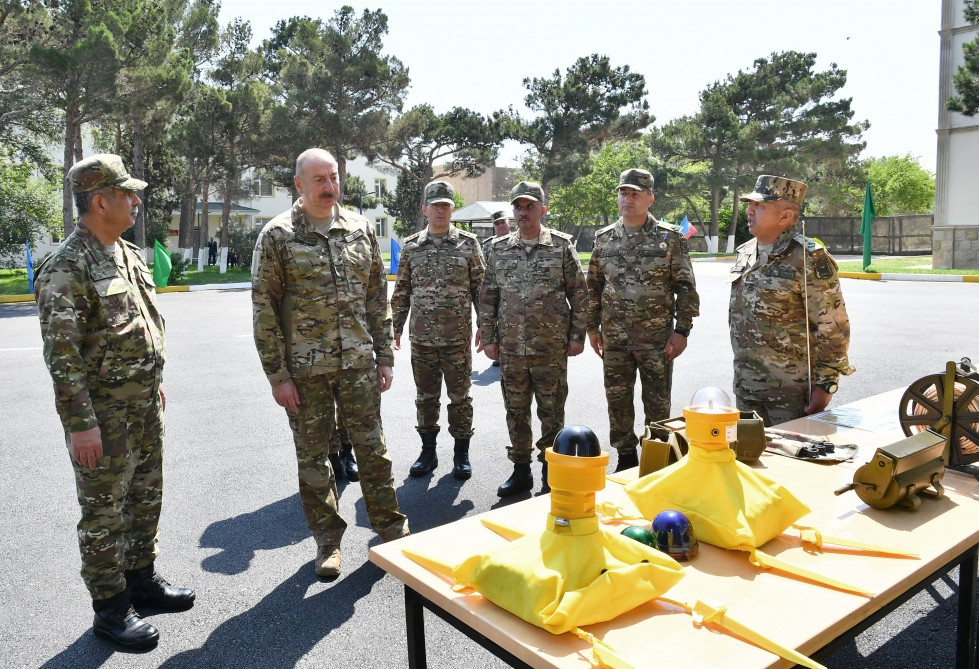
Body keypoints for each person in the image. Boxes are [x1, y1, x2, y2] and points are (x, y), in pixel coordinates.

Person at [33, 154, 195, 651]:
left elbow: (137, 326)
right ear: (100, 201)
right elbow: (63, 358)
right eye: (127, 194)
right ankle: (109, 608)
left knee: (145, 496)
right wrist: (81, 425)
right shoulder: (67, 267)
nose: (136, 200)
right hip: (101, 415)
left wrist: (152, 380)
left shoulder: (125, 252)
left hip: (143, 403)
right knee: (104, 510)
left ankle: (141, 581)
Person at [251, 148, 409, 579]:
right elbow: (264, 309)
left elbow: (377, 297)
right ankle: (327, 541)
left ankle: (391, 527)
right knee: (314, 457)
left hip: (357, 362)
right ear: (299, 185)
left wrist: (385, 356)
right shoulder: (277, 236)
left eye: (334, 177)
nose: (328, 186)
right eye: (318, 179)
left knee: (373, 449)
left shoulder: (359, 228)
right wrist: (277, 375)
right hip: (305, 370)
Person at [478, 181, 588, 496]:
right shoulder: (498, 249)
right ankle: (521, 471)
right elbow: (488, 297)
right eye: (518, 207)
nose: (523, 212)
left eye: (530, 206)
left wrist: (577, 335)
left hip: (550, 348)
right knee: (515, 410)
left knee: (551, 412)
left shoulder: (561, 246)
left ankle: (551, 472)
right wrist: (489, 337)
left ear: (543, 208)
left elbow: (579, 295)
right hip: (511, 349)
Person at [587, 169, 700, 472]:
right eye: (624, 192)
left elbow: (686, 288)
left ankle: (657, 461)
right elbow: (594, 288)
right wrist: (591, 328)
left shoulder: (670, 237)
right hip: (614, 341)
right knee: (618, 402)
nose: (628, 198)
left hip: (656, 342)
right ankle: (625, 459)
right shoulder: (604, 239)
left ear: (650, 198)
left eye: (636, 193)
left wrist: (682, 331)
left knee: (658, 406)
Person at [729, 175, 854, 426]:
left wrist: (826, 385)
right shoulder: (745, 252)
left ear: (785, 217)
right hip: (747, 386)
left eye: (760, 206)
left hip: (791, 394)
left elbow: (833, 327)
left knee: (789, 459)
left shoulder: (808, 258)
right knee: (748, 456)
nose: (749, 210)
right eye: (750, 204)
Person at [391, 180, 484, 479]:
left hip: (457, 338)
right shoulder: (411, 246)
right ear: (425, 209)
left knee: (460, 398)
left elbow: (481, 289)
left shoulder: (468, 244)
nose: (440, 210)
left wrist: (486, 325)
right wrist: (395, 326)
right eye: (435, 206)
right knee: (426, 397)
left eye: (446, 205)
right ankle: (428, 453)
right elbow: (402, 289)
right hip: (422, 340)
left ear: (452, 209)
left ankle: (461, 454)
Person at [482, 210, 511, 366]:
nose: (500, 226)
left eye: (502, 222)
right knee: (496, 321)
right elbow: (482, 269)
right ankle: (499, 354)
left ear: (509, 223)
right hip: (495, 289)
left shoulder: (519, 240)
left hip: (513, 289)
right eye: (497, 223)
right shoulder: (488, 245)